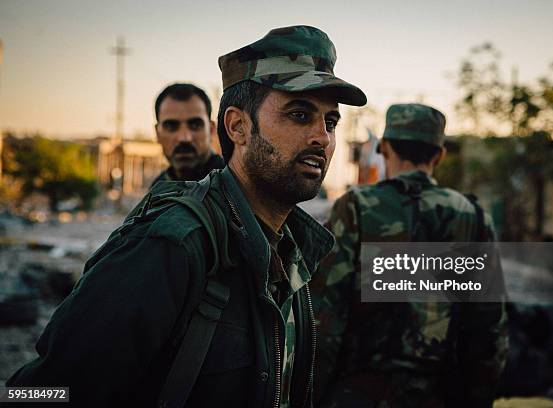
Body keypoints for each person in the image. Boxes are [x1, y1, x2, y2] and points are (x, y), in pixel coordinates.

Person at [6, 25, 366, 407]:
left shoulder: (293, 253)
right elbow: (42, 391)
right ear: (237, 127)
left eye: (330, 122)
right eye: (299, 115)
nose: (322, 138)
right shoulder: (171, 244)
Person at [311, 103, 508, 407]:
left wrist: (314, 394)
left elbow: (326, 313)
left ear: (384, 148)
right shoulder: (473, 217)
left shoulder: (355, 207)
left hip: (357, 392)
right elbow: (488, 328)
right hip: (438, 394)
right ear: (439, 155)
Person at [152, 83, 224, 185]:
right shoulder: (157, 189)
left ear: (211, 130)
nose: (184, 138)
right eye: (171, 126)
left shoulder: (236, 184)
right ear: (158, 133)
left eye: (195, 125)